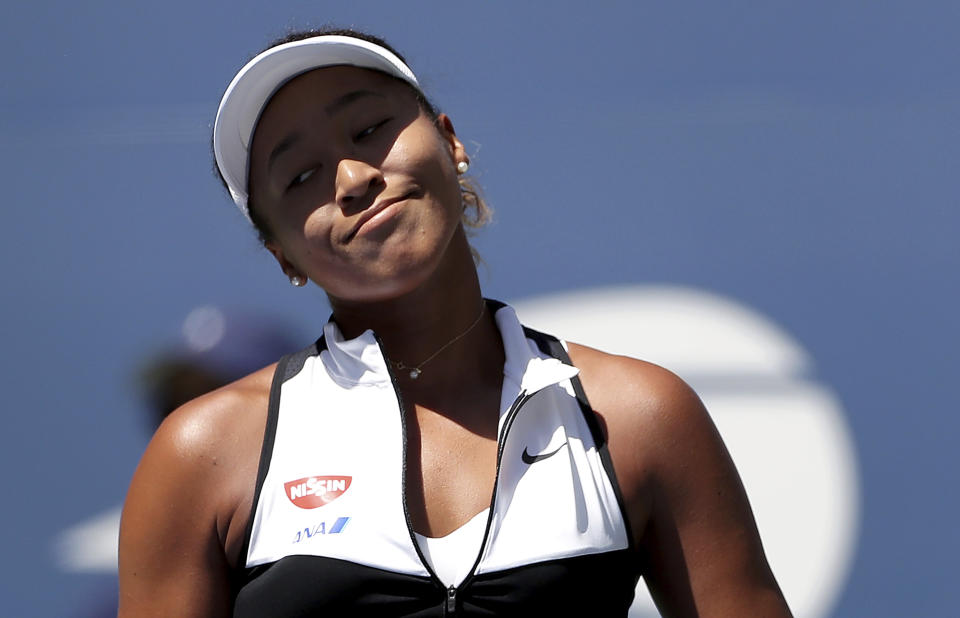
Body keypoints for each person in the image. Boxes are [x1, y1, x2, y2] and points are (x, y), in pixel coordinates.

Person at [118, 28, 792, 617]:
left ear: (449, 141)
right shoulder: (202, 455)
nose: (352, 177)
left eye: (370, 130)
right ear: (281, 253)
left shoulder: (643, 416)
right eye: (300, 177)